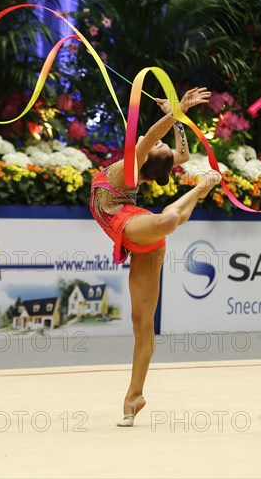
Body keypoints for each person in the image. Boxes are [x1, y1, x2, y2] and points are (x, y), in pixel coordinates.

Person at [89, 87, 221, 426]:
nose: (155, 145)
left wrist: (177, 114)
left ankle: (198, 191)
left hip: (134, 225)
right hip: (141, 232)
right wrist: (177, 116)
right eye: (157, 147)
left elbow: (152, 135)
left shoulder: (134, 162)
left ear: (145, 157)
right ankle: (134, 397)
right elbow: (184, 154)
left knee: (166, 221)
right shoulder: (132, 168)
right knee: (141, 324)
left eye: (154, 147)